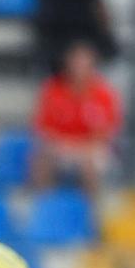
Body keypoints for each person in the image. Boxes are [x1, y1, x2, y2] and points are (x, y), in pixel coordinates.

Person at [29, 40, 122, 200]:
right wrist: (64, 146)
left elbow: (106, 133)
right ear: (68, 64)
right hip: (61, 148)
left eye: (84, 62)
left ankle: (92, 215)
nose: (80, 67)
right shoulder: (53, 90)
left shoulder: (103, 94)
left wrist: (82, 149)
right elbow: (44, 129)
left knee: (90, 163)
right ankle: (44, 211)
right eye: (76, 62)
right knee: (41, 160)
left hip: (92, 149)